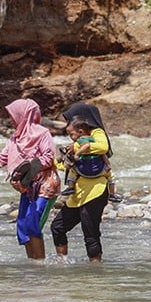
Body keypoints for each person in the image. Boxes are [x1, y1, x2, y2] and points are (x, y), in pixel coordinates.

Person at [0, 98, 60, 260]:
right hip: (27, 186)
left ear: (25, 115)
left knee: (32, 224)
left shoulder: (42, 133)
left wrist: (30, 165)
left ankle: (40, 263)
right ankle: (33, 264)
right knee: (22, 227)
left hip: (45, 185)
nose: (11, 119)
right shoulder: (15, 138)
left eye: (14, 115)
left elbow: (49, 157)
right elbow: (2, 158)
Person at [50, 103, 112, 262]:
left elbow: (102, 147)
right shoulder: (76, 140)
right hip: (78, 193)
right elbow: (71, 165)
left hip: (95, 191)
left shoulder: (96, 132)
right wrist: (55, 162)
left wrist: (76, 146)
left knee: (90, 233)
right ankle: (62, 263)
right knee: (57, 227)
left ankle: (95, 269)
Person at [60, 115, 121, 203]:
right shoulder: (93, 138)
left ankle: (70, 187)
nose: (70, 137)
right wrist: (107, 163)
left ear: (80, 131)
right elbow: (102, 153)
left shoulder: (82, 139)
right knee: (110, 176)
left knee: (72, 171)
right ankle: (112, 194)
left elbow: (87, 145)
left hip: (85, 170)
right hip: (100, 170)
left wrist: (77, 152)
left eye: (71, 134)